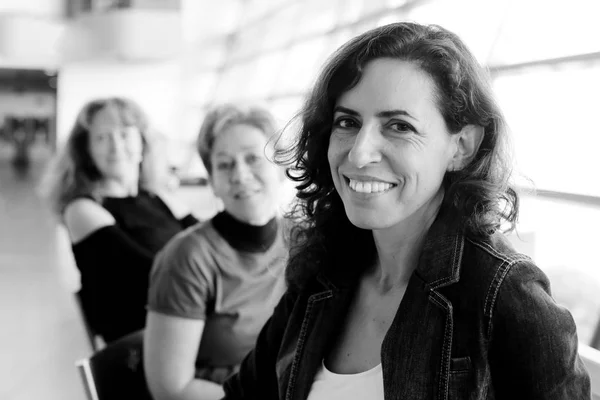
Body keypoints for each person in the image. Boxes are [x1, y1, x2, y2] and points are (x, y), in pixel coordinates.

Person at [221, 22, 591, 399]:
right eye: (347, 122)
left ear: (461, 146)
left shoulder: (504, 295)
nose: (360, 153)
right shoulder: (321, 272)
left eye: (399, 126)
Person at [144, 104, 290, 400]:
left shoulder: (304, 240)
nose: (240, 174)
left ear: (281, 167)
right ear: (212, 182)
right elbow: (171, 388)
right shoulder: (187, 257)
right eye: (224, 164)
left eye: (252, 158)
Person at [43, 97, 198, 343]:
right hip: (139, 342)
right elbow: (153, 275)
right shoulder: (83, 209)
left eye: (124, 134)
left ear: (143, 141)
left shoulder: (160, 197)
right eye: (102, 138)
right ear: (87, 151)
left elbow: (214, 242)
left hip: (184, 323)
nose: (116, 147)